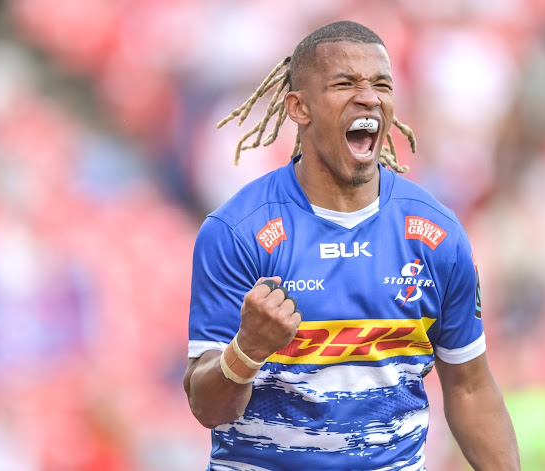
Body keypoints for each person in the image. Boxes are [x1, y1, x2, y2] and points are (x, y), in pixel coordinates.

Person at [184, 20, 519, 471]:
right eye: (345, 84)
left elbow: (470, 387)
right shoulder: (237, 232)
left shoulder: (436, 233)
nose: (369, 96)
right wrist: (247, 349)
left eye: (381, 83)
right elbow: (207, 408)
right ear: (299, 108)